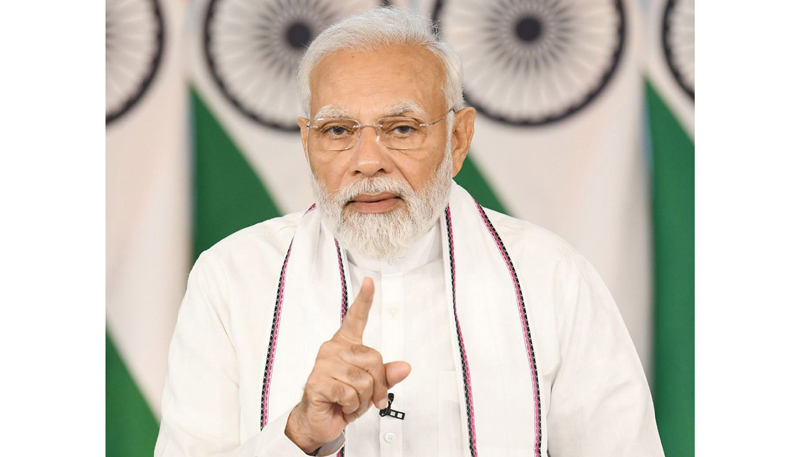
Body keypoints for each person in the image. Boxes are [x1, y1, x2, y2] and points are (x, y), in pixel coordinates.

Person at [154, 7, 664, 457]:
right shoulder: (231, 278)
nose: (367, 162)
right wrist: (299, 434)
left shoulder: (552, 279)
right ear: (307, 142)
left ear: (458, 138)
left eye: (401, 128)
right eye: (338, 131)